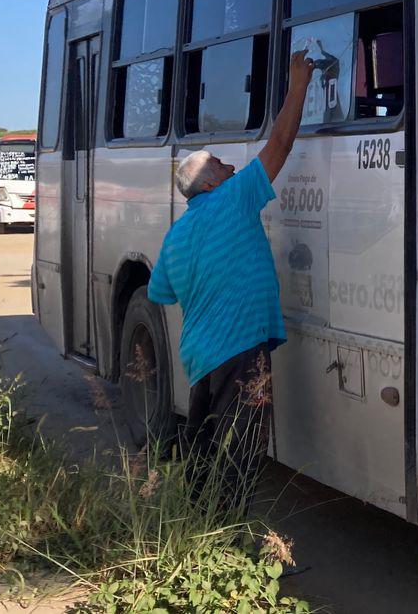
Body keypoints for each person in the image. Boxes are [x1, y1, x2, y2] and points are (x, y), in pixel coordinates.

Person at [148, 49, 316, 504]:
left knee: (202, 448)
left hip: (201, 356)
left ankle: (192, 530)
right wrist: (298, 84)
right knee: (240, 452)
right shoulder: (235, 198)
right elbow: (279, 144)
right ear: (209, 184)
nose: (231, 167)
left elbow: (158, 292)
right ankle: (227, 539)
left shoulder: (176, 235)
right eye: (221, 164)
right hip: (240, 349)